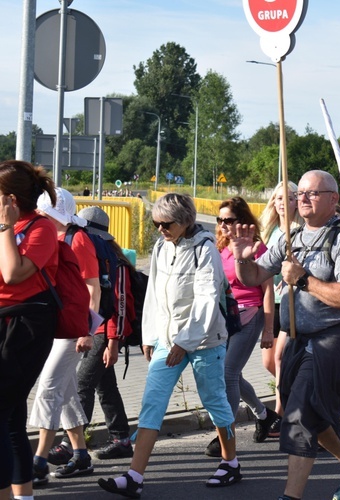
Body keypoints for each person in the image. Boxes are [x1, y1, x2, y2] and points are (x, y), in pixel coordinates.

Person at [229, 170, 340, 500]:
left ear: (333, 199)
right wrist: (240, 258)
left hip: (332, 337)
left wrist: (304, 280)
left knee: (298, 415)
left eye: (313, 193)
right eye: (301, 194)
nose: (303, 199)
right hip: (297, 337)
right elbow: (254, 275)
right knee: (311, 413)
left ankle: (290, 497)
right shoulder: (289, 237)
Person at [99, 193, 240, 497]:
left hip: (205, 341)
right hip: (166, 340)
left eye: (166, 223)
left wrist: (184, 341)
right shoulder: (162, 246)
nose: (160, 229)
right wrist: (149, 336)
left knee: (215, 402)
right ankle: (134, 476)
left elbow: (206, 300)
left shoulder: (205, 250)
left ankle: (231, 463)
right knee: (152, 403)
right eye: (156, 223)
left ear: (186, 221)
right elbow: (154, 296)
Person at [28, 187, 98, 483]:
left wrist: (88, 331)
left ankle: (39, 461)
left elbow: (93, 287)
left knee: (48, 388)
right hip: (58, 325)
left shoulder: (77, 239)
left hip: (74, 328)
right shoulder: (53, 236)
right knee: (66, 391)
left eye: (44, 214)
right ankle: (81, 455)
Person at [0, 161, 59, 500]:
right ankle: (23, 495)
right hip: (4, 322)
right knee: (10, 418)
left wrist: (6, 228)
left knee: (1, 414)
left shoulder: (41, 229)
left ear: (10, 199)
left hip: (24, 327)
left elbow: (13, 273)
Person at [205, 196, 279, 457]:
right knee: (231, 374)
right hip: (224, 318)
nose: (223, 224)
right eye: (220, 219)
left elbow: (268, 291)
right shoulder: (220, 246)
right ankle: (263, 414)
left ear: (243, 221)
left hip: (250, 315)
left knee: (227, 373)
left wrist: (268, 330)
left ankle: (226, 436)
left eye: (229, 220)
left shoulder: (257, 248)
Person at [74, 206, 135, 461]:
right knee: (105, 385)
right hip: (94, 328)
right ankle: (121, 438)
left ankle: (73, 445)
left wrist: (112, 343)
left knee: (82, 384)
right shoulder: (98, 257)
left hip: (104, 332)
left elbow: (120, 307)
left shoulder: (116, 262)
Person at [258, 181, 304, 429]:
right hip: (269, 303)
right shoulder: (269, 230)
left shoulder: (302, 229)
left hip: (292, 302)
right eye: (278, 198)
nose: (284, 203)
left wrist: (290, 282)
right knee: (268, 362)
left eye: (290, 198)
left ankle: (280, 411)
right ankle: (299, 391)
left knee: (280, 358)